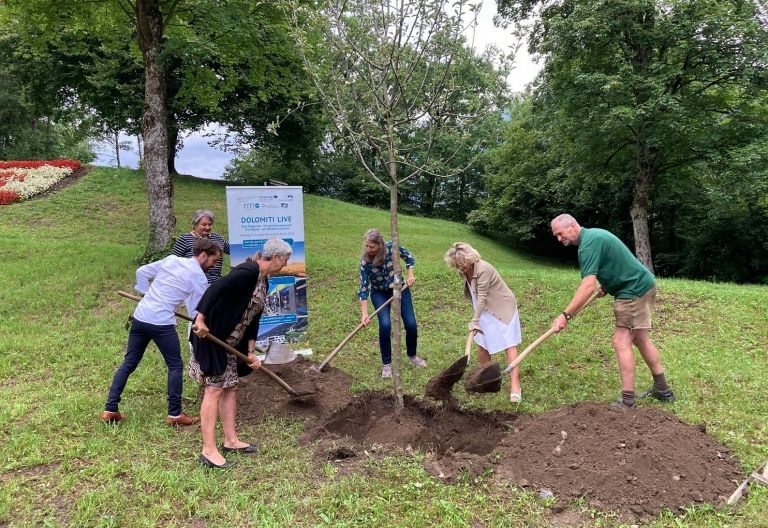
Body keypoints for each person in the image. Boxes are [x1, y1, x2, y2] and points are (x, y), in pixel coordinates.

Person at [549, 214, 675, 409]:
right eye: (555, 235)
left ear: (572, 226)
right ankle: (662, 389)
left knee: (620, 340)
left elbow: (587, 286)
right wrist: (607, 285)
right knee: (640, 338)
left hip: (633, 290)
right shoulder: (593, 237)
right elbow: (614, 261)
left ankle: (627, 400)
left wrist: (565, 315)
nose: (558, 238)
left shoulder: (588, 245)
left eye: (560, 233)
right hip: (641, 284)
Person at [190, 237, 292, 469]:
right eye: (285, 259)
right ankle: (208, 450)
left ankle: (231, 440)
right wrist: (201, 318)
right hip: (211, 336)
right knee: (214, 388)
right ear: (275, 257)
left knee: (230, 386)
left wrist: (250, 351)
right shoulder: (248, 271)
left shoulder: (262, 281)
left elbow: (253, 319)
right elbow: (216, 287)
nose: (286, 264)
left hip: (231, 342)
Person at [100, 238, 222, 426]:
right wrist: (202, 323)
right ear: (203, 255)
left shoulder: (172, 260)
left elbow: (141, 272)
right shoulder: (198, 277)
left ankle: (110, 409)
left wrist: (146, 294)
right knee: (174, 365)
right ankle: (175, 415)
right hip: (161, 323)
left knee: (129, 362)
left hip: (140, 316)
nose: (214, 266)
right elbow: (199, 309)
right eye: (213, 261)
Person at [444, 242, 523, 402]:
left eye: (463, 264)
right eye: (457, 265)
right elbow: (475, 295)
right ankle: (486, 381)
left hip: (501, 307)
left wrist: (474, 320)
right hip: (484, 310)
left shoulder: (484, 269)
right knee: (483, 344)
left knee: (509, 344)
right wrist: (477, 319)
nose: (460, 268)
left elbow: (482, 298)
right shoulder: (463, 269)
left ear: (470, 259)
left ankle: (515, 385)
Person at [358, 228, 426, 378]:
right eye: (366, 246)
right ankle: (387, 364)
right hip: (379, 293)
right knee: (385, 325)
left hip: (400, 289)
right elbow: (363, 288)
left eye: (372, 246)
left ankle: (412, 356)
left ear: (380, 244)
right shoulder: (365, 262)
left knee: (411, 324)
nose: (368, 249)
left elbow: (408, 257)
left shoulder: (392, 247)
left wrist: (410, 275)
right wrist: (365, 314)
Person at [172, 209, 230, 284]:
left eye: (210, 224)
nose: (207, 227)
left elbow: (234, 250)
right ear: (195, 224)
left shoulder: (217, 238)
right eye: (204, 224)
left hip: (216, 283)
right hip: (194, 282)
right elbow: (173, 261)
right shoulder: (185, 239)